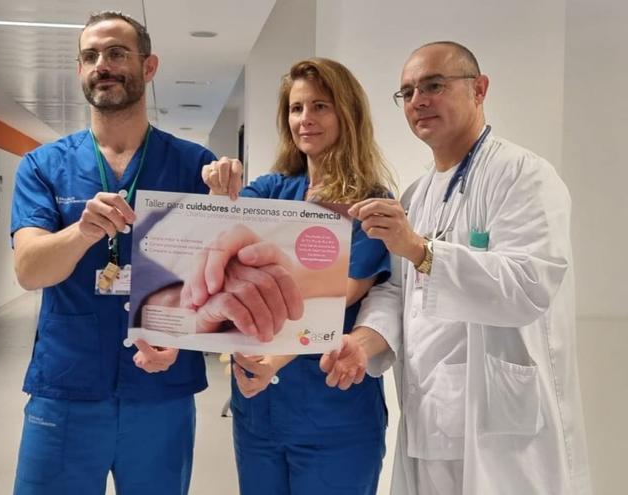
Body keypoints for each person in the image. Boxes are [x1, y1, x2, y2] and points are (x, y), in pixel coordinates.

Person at [329, 41, 592, 494]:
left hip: (499, 425)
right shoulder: (415, 194)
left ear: (479, 89)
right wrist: (362, 343)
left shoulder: (523, 175)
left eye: (434, 85)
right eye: (407, 92)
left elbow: (530, 285)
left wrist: (421, 250)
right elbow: (395, 293)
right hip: (429, 416)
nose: (418, 101)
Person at [9, 11, 217, 495]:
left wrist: (185, 341)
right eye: (90, 56)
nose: (103, 64)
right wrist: (80, 233)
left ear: (149, 67)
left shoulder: (194, 166)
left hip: (161, 389)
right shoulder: (44, 166)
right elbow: (28, 270)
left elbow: (217, 281)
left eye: (118, 53)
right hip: (66, 384)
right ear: (80, 70)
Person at [201, 58, 395, 495]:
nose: (305, 119)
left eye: (320, 106)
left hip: (333, 415)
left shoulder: (370, 203)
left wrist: (275, 359)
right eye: (296, 108)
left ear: (348, 114)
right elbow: (222, 244)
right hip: (259, 413)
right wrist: (218, 192)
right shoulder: (271, 190)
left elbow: (339, 292)